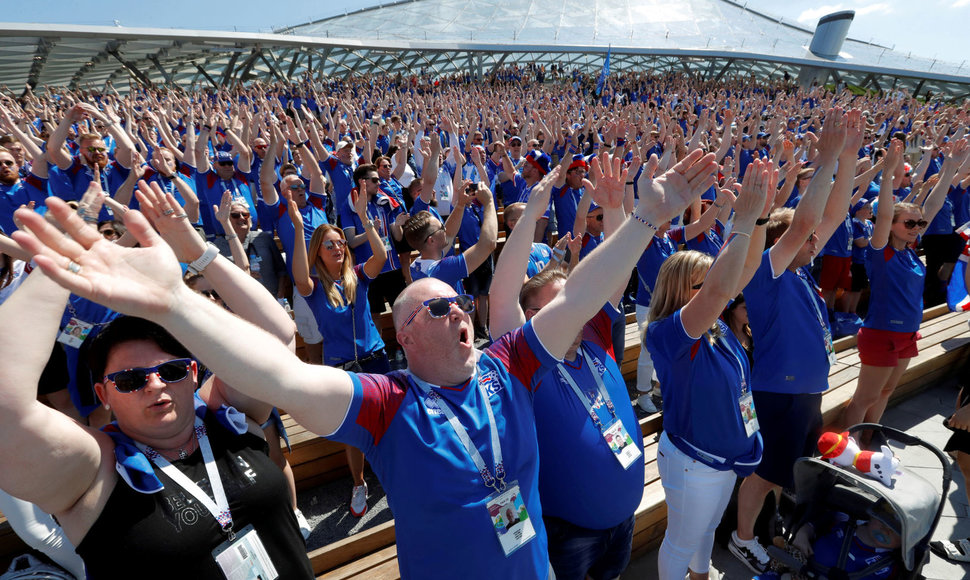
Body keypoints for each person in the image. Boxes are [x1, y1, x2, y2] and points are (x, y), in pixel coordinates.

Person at [11, 148, 718, 580]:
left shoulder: (510, 366)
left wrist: (645, 219)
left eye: (460, 305)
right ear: (405, 336)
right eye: (437, 309)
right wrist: (174, 303)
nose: (459, 312)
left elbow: (583, 294)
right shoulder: (387, 405)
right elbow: (285, 374)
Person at [0, 185, 314, 577]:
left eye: (171, 371)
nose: (155, 385)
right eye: (130, 380)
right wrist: (60, 267)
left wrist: (197, 253)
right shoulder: (95, 473)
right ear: (104, 394)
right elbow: (5, 412)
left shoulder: (224, 415)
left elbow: (278, 337)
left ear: (192, 373)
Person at [490, 156, 643, 580]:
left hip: (623, 521)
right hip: (570, 535)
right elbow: (503, 300)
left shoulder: (594, 336)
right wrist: (530, 217)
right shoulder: (523, 363)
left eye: (569, 304)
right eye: (548, 310)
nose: (566, 316)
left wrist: (615, 209)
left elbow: (616, 272)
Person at [730, 109, 858, 574]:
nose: (816, 241)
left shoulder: (801, 272)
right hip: (779, 393)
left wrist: (847, 158)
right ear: (786, 241)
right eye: (807, 239)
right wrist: (823, 162)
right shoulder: (769, 268)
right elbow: (807, 223)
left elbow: (834, 211)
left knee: (793, 468)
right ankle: (743, 539)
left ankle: (782, 528)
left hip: (803, 391)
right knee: (765, 474)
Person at [646, 159, 771, 580]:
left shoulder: (714, 323)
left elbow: (746, 269)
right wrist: (743, 220)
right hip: (693, 459)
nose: (715, 290)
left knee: (707, 529)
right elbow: (720, 289)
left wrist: (757, 220)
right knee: (681, 539)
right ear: (679, 288)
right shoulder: (669, 333)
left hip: (721, 456)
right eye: (701, 284)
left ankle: (702, 574)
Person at [842, 138, 970, 427]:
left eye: (919, 224)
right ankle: (845, 448)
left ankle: (869, 436)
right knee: (865, 397)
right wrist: (887, 174)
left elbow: (933, 206)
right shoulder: (881, 252)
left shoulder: (911, 252)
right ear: (892, 226)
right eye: (909, 223)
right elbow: (885, 213)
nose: (916, 228)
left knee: (886, 392)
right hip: (881, 333)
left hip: (909, 334)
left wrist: (949, 167)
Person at [289, 183, 388, 518]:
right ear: (318, 250)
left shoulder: (358, 275)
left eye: (341, 243)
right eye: (329, 244)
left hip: (377, 359)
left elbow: (382, 256)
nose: (338, 247)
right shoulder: (315, 288)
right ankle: (359, 483)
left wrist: (364, 218)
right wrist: (301, 230)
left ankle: (393, 473)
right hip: (343, 368)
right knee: (356, 431)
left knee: (389, 421)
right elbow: (299, 275)